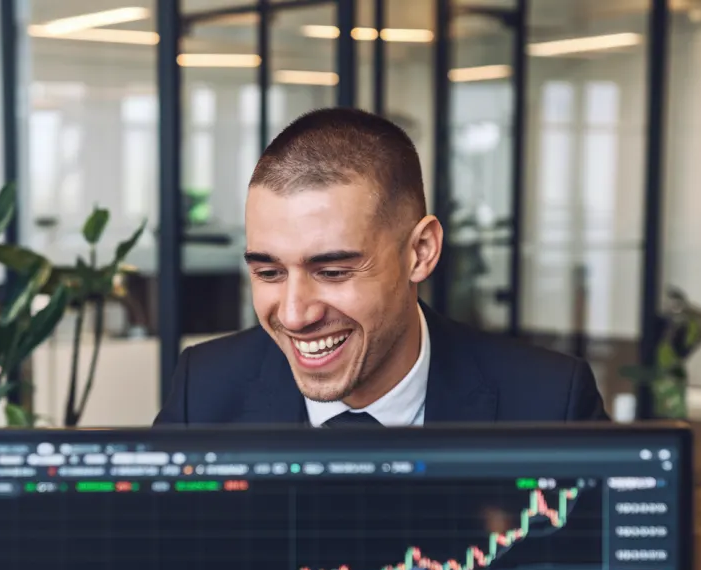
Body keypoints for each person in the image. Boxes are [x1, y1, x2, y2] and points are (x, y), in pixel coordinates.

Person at [155, 108, 608, 427]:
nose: (294, 315)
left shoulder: (550, 401)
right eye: (269, 272)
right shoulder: (205, 391)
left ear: (421, 252)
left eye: (332, 272)